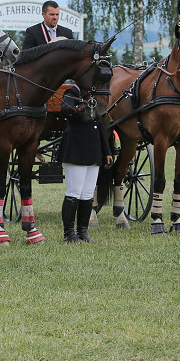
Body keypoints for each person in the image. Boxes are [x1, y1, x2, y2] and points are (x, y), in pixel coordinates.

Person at [59, 82, 112, 243]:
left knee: (88, 194)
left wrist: (107, 151)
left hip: (93, 151)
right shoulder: (72, 91)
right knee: (74, 192)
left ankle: (82, 232)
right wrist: (78, 108)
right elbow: (65, 110)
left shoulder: (96, 95)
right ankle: (69, 234)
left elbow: (101, 126)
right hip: (76, 149)